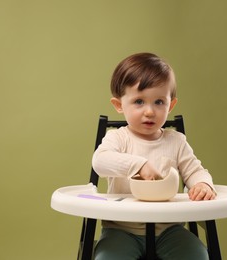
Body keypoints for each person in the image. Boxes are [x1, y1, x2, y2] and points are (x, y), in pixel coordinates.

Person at [92, 52, 216, 260]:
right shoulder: (118, 138)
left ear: (171, 105)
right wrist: (138, 165)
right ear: (119, 105)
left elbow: (195, 170)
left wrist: (203, 185)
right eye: (139, 101)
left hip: (169, 229)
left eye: (159, 102)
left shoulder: (176, 141)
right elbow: (100, 161)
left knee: (198, 256)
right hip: (122, 229)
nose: (149, 111)